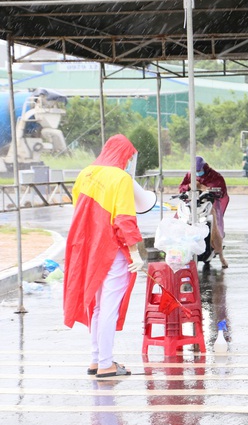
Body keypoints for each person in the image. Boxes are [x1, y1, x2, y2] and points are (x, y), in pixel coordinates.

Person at [63, 134, 144, 378]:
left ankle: (97, 359)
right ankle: (106, 364)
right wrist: (135, 253)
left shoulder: (85, 173)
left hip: (88, 248)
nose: (129, 161)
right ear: (123, 154)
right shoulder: (120, 178)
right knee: (109, 307)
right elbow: (124, 219)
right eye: (129, 157)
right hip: (110, 250)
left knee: (98, 306)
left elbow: (81, 212)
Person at [178, 156, 230, 268]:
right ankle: (179, 253)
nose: (197, 173)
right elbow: (181, 187)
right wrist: (189, 186)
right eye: (195, 171)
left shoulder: (215, 176)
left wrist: (205, 188)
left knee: (216, 226)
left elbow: (221, 190)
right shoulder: (189, 175)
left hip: (209, 204)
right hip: (192, 205)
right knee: (177, 221)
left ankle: (221, 255)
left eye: (199, 171)